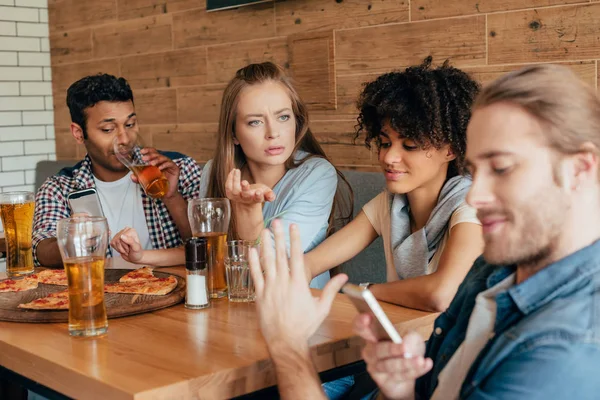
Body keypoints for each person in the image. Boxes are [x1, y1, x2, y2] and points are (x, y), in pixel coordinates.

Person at [248, 63, 600, 400]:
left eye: (502, 168)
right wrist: (400, 392)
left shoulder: (561, 348)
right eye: (477, 169)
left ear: (580, 170)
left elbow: (440, 293)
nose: (475, 195)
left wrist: (289, 348)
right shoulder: (492, 275)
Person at [111, 62, 352, 289]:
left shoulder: (317, 175)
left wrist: (247, 210)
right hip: (230, 307)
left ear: (297, 122)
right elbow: (209, 251)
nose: (273, 133)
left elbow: (267, 265)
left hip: (296, 315)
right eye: (255, 122)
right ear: (234, 133)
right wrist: (140, 256)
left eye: (283, 117)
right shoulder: (215, 170)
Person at [305, 58, 483, 312]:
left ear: (451, 150)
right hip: (403, 344)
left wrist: (366, 292)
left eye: (409, 145)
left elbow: (441, 294)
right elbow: (311, 263)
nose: (388, 158)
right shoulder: (390, 205)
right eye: (385, 143)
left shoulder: (472, 207)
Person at [33, 73, 202, 268]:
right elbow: (40, 251)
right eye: (108, 129)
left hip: (172, 292)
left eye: (130, 124)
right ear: (78, 133)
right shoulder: (59, 188)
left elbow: (207, 247)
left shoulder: (180, 169)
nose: (124, 139)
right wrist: (69, 241)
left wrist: (172, 198)